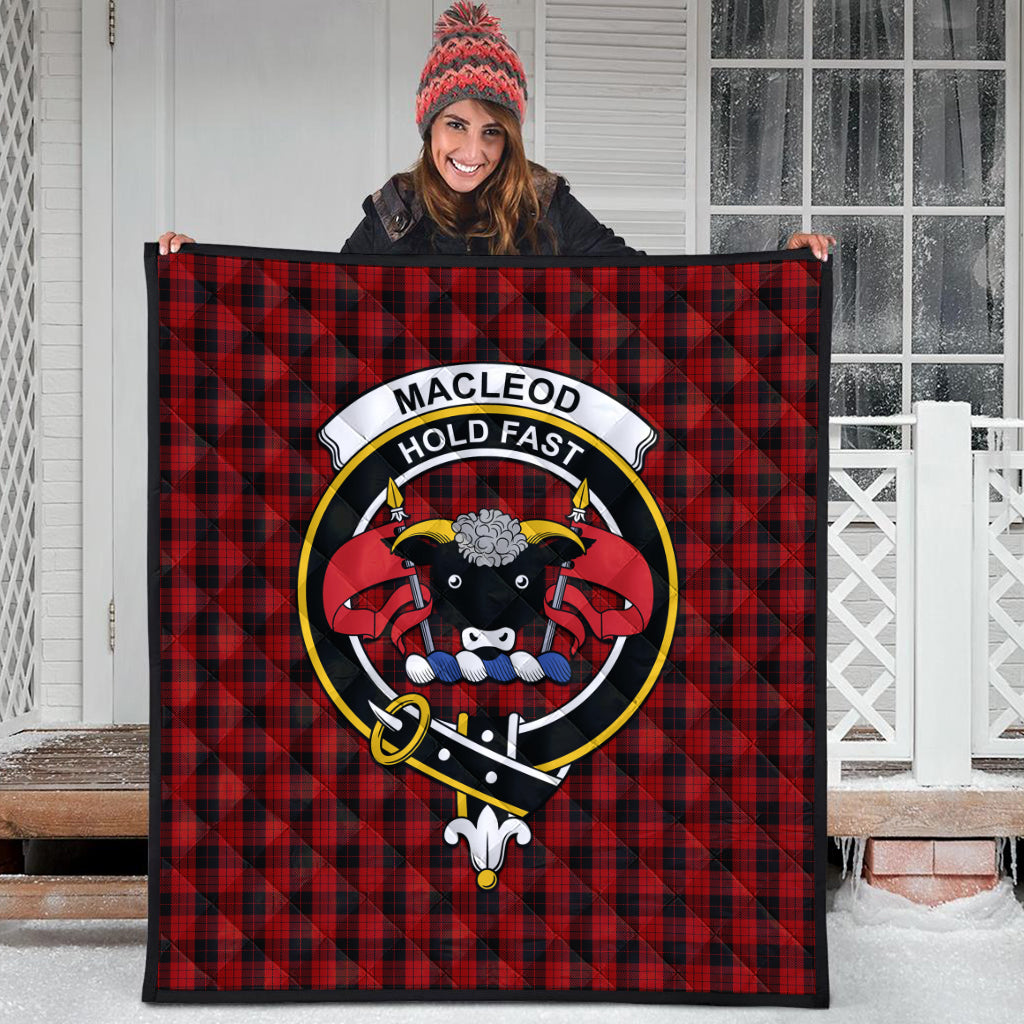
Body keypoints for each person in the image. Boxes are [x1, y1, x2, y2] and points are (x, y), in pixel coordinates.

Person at [159, 2, 834, 262]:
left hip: (533, 445)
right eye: (456, 126)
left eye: (492, 132)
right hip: (423, 446)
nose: (472, 152)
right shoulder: (394, 212)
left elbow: (652, 292)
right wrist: (199, 271)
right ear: (429, 128)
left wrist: (783, 264)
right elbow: (316, 315)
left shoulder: (545, 204)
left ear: (511, 137)